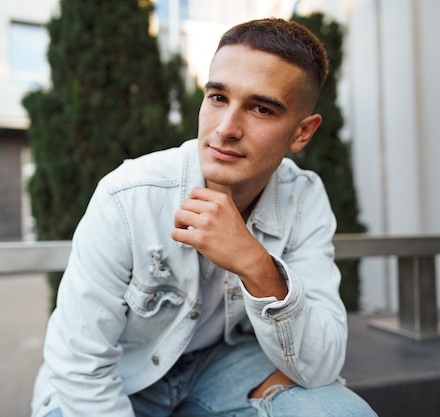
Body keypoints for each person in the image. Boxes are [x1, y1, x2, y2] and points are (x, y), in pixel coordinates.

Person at [31, 17, 377, 417]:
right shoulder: (128, 196)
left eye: (261, 108)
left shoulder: (304, 198)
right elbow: (80, 366)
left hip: (221, 371)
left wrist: (256, 265)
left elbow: (321, 365)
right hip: (117, 381)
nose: (226, 129)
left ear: (302, 133)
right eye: (217, 98)